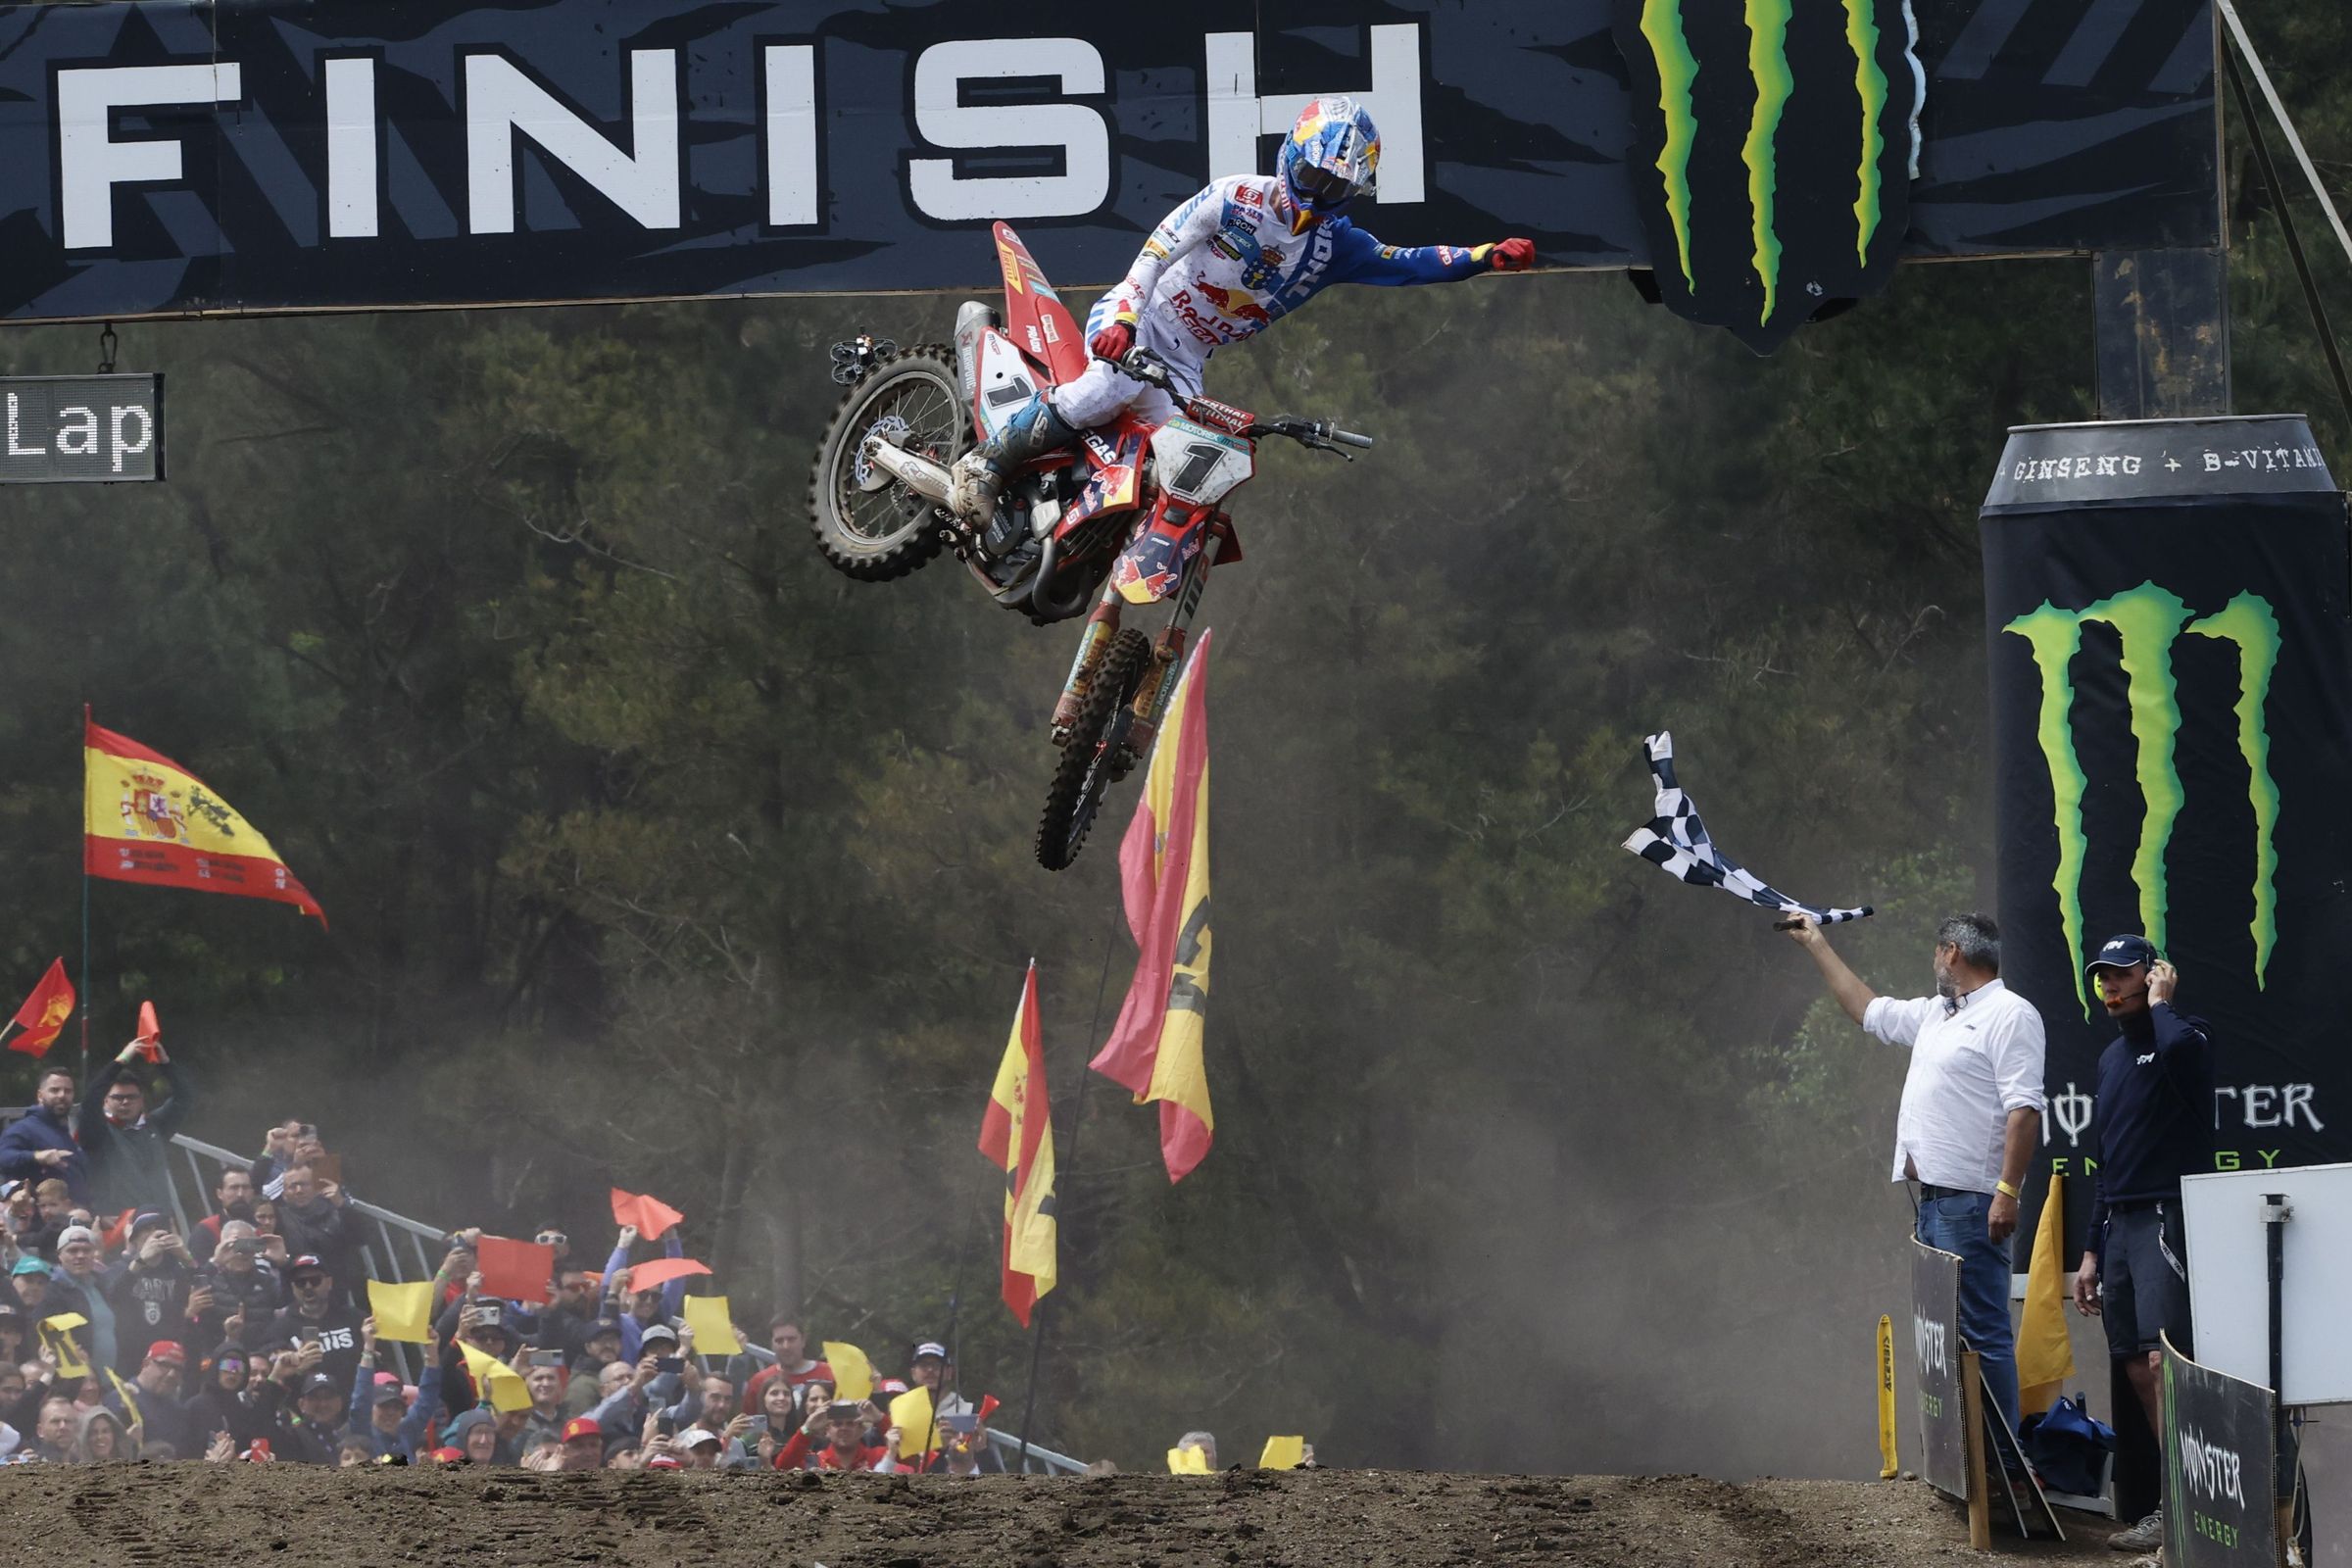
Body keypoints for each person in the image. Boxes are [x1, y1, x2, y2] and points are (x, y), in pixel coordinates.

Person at [946, 95, 1535, 532]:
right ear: (1289, 158)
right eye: (1310, 177)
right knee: (1103, 390)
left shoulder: (1337, 248)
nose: (1316, 198)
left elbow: (1406, 261)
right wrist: (1125, 320)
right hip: (1139, 321)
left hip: (1185, 364)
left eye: (1335, 191)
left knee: (1179, 469)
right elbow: (1153, 254)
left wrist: (1483, 258)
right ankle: (986, 464)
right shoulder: (1234, 197)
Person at [1785, 910, 2046, 1438]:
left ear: (1952, 952)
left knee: (1980, 1331)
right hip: (1932, 1200)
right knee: (1945, 1331)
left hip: (1972, 1200)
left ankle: (2003, 1462)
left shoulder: (2010, 1014)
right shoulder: (1936, 1013)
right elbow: (1866, 1009)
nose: (1934, 961)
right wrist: (1816, 944)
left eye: (1936, 952)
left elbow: (2025, 1110)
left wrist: (2007, 1192)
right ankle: (1966, 1459)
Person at [2069, 936, 2212, 1553]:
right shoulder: (2109, 1060)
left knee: (2165, 1361)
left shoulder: (2183, 1034)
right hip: (2120, 1225)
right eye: (2102, 978)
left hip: (2166, 1214)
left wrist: (2162, 1002)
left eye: (2123, 976)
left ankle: (2195, 1509)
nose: (2110, 987)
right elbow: (2108, 1161)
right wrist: (2092, 1252)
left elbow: (2179, 1049)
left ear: (2152, 977)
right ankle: (2172, 1505)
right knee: (2132, 1361)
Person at [79, 1040, 197, 1218]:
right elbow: (89, 1101)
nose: (125, 1102)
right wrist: (121, 1060)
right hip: (117, 1227)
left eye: (131, 1097)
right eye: (118, 1097)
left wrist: (165, 1063)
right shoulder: (97, 1131)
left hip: (159, 1222)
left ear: (142, 1100)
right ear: (105, 1101)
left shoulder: (155, 1126)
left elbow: (185, 1097)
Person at [266, 1255, 366, 1392]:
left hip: (354, 1403)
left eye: (315, 1281)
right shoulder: (280, 1329)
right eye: (300, 1282)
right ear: (293, 1287)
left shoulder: (356, 1319)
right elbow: (272, 1372)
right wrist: (297, 1367)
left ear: (329, 1283)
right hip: (306, 1406)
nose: (308, 1287)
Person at [0, 1070, 90, 1207]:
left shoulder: (64, 1131)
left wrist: (97, 1215)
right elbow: (4, 1157)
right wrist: (37, 1156)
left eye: (68, 1091)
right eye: (55, 1090)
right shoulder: (23, 1129)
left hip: (74, 1219)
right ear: (40, 1095)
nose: (62, 1095)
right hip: (36, 1223)